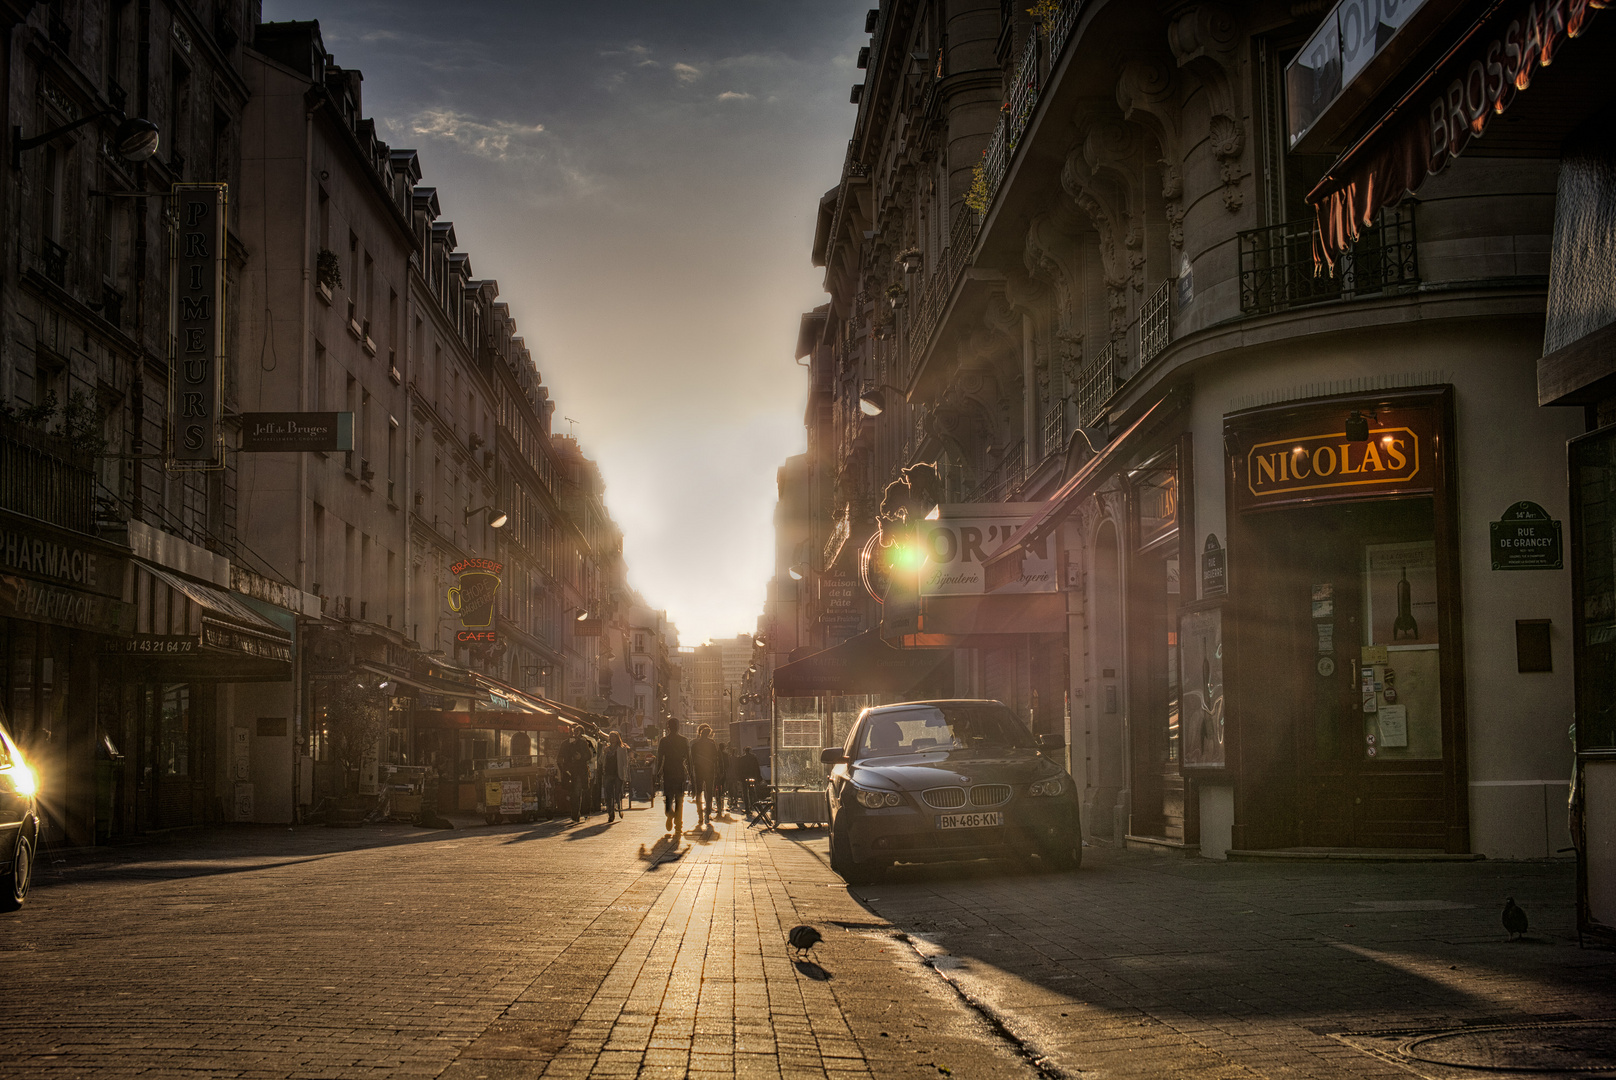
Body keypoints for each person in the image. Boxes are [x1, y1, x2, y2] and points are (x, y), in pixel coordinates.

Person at [654, 718, 691, 836]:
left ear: (668, 727)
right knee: (680, 798)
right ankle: (678, 825)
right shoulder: (684, 740)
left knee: (669, 796)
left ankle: (670, 814)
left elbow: (660, 758)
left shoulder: (664, 741)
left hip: (668, 771)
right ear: (678, 726)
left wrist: (657, 773)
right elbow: (689, 759)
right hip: (680, 771)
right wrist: (690, 773)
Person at [557, 728, 593, 823]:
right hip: (569, 772)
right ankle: (575, 812)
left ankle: (575, 814)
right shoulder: (565, 743)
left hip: (579, 772)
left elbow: (589, 755)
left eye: (576, 732)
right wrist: (562, 769)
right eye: (572, 731)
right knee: (572, 792)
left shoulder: (582, 743)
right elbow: (559, 757)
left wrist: (581, 757)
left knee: (576, 792)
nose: (574, 733)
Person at [690, 724, 721, 826]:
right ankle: (707, 814)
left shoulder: (695, 745)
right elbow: (716, 759)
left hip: (698, 771)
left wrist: (692, 771)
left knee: (699, 792)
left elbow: (692, 759)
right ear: (708, 734)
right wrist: (717, 771)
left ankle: (700, 815)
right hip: (709, 771)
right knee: (709, 793)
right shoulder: (712, 745)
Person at [602, 731, 629, 823]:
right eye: (611, 736)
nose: (612, 738)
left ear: (618, 738)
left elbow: (625, 763)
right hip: (608, 774)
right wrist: (604, 753)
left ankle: (619, 806)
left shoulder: (622, 749)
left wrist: (625, 776)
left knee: (617, 793)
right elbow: (600, 761)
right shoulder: (606, 749)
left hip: (618, 774)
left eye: (614, 736)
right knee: (609, 794)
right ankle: (611, 813)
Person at [735, 745, 762, 813]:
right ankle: (754, 805)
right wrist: (759, 777)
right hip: (752, 777)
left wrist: (739, 777)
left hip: (744, 778)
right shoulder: (753, 758)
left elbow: (739, 769)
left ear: (745, 751)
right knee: (752, 791)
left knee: (745, 792)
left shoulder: (742, 758)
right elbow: (757, 767)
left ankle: (747, 808)